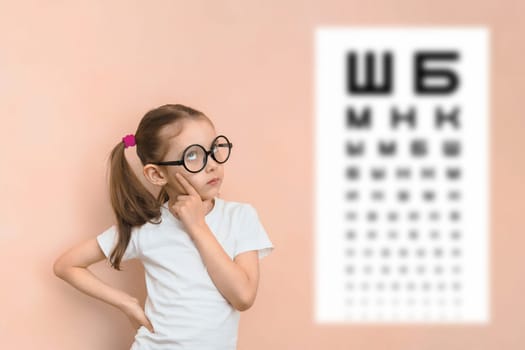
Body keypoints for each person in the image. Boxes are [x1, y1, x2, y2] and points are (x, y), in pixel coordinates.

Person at [53, 104, 274, 349]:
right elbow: (66, 265)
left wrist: (197, 226)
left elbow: (242, 296)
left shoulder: (240, 217)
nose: (211, 164)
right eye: (193, 155)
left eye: (213, 150)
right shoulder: (147, 227)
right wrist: (126, 302)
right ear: (157, 175)